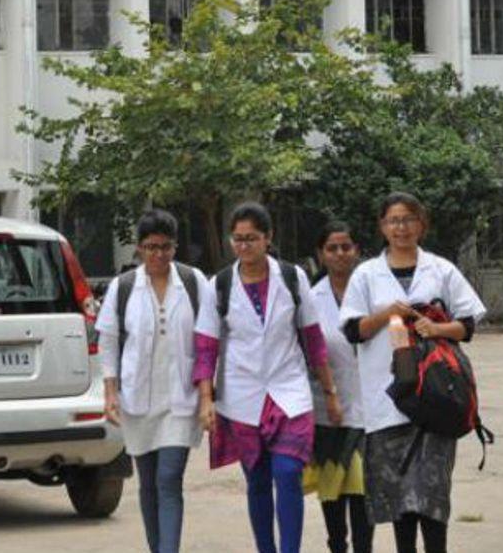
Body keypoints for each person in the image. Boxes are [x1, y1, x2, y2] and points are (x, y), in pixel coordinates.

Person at [339, 192, 486, 553]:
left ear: (422, 224)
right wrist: (388, 313)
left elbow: (467, 325)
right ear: (382, 226)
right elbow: (353, 330)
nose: (401, 227)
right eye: (393, 220)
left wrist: (436, 329)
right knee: (400, 502)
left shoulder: (441, 269)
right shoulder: (366, 275)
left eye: (408, 219)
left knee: (433, 496)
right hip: (387, 401)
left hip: (435, 398)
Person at [194, 202, 342, 553]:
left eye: (252, 238)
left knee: (288, 473)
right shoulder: (219, 285)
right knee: (258, 481)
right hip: (241, 396)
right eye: (238, 239)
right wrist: (206, 400)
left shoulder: (292, 277)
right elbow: (205, 346)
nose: (244, 246)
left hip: (289, 389)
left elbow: (313, 338)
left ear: (268, 238)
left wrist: (330, 392)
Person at [95, 210, 206, 553]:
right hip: (137, 401)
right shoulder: (124, 287)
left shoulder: (193, 282)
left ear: (175, 246)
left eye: (165, 247)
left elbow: (208, 342)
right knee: (148, 484)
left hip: (180, 400)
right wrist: (110, 393)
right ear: (139, 248)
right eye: (151, 247)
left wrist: (207, 396)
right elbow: (108, 341)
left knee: (168, 479)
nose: (158, 255)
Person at [305, 222, 372, 553]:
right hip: (327, 410)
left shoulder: (373, 292)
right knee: (332, 493)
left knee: (363, 493)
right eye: (332, 248)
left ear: (357, 251)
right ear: (321, 254)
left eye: (346, 247)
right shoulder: (310, 299)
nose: (340, 253)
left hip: (370, 408)